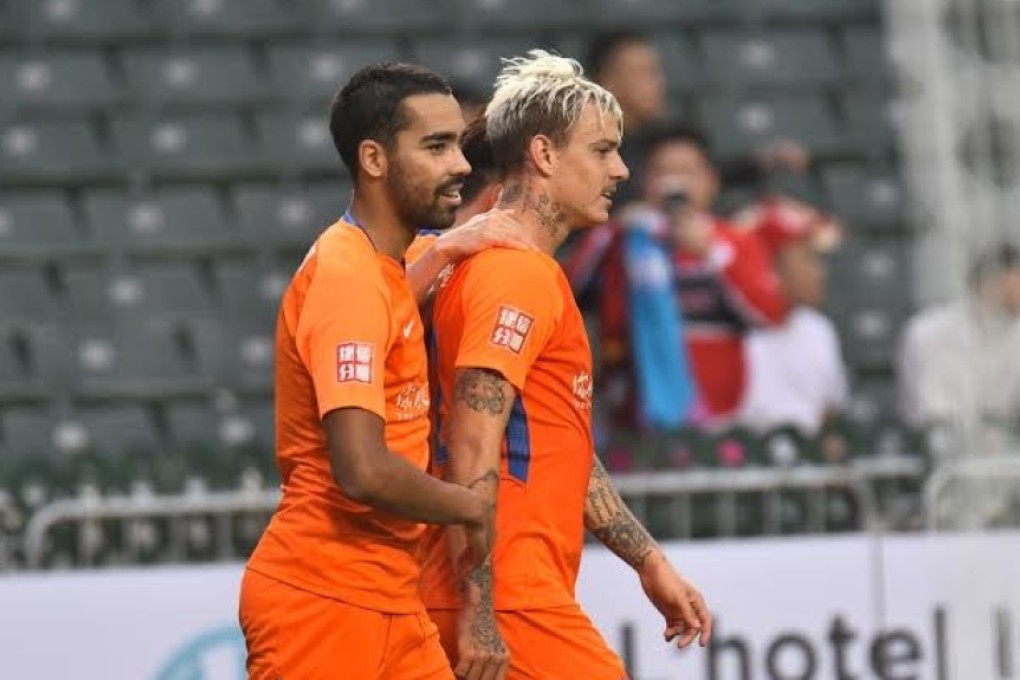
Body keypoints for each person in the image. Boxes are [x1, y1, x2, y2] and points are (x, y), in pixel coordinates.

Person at [420, 51, 713, 680]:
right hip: (512, 598)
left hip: (510, 592)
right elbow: (470, 442)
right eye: (603, 150)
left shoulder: (519, 271)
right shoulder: (514, 273)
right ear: (546, 155)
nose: (621, 169)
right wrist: (480, 608)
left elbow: (558, 437)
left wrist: (646, 560)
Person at [239, 62, 524, 680]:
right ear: (373, 158)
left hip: (388, 596)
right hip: (323, 601)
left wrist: (449, 246)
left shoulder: (380, 263)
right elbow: (361, 470)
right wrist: (468, 506)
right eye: (436, 145)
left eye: (459, 142)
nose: (461, 164)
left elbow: (392, 302)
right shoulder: (348, 279)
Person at [567, 121, 789, 426]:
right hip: (636, 416)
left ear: (711, 181)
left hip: (721, 420)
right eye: (664, 172)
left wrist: (712, 254)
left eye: (688, 172)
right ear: (646, 182)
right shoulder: (626, 237)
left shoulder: (735, 241)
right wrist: (611, 232)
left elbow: (770, 314)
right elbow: (567, 288)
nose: (676, 183)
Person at [585, 30, 810, 206]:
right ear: (608, 81)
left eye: (657, 71)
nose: (659, 82)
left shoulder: (661, 138)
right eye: (645, 72)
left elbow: (713, 172)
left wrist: (761, 163)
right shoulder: (587, 150)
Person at [734, 197, 849, 435]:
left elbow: (829, 413)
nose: (820, 270)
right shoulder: (726, 330)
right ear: (767, 263)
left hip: (808, 463)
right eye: (808, 256)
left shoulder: (818, 329)